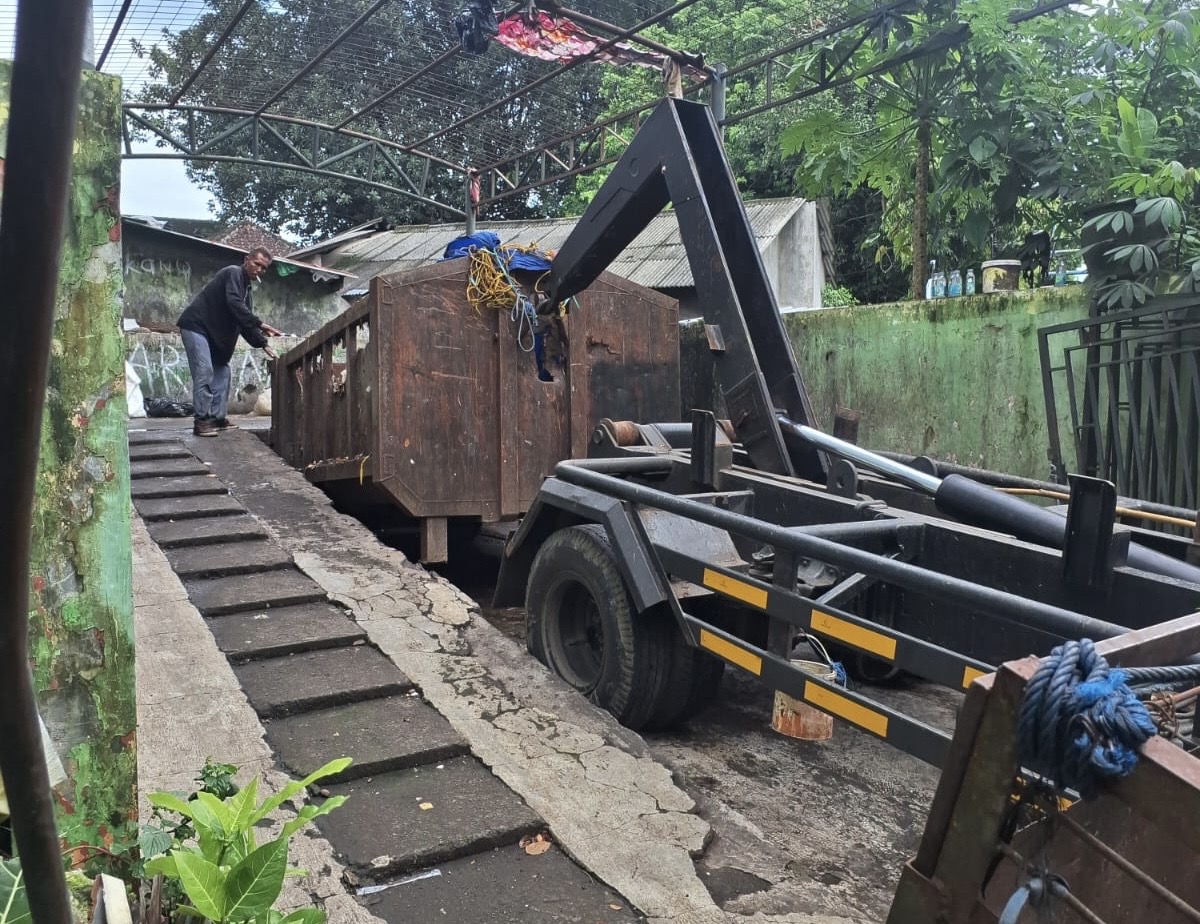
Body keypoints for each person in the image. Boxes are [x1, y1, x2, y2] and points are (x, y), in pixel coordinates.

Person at [178, 247, 283, 437]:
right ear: (246, 260)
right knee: (204, 371)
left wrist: (263, 343)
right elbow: (234, 303)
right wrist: (260, 323)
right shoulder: (233, 273)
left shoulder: (247, 292)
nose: (259, 269)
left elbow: (244, 322)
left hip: (213, 335)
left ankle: (217, 419)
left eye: (264, 268)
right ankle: (201, 421)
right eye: (256, 264)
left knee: (223, 372)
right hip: (196, 326)